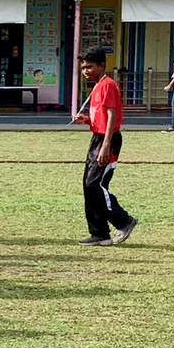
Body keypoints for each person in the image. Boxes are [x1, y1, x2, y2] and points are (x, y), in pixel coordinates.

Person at [71, 47, 136, 246]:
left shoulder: (107, 85)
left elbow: (112, 116)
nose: (85, 71)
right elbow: (100, 115)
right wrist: (87, 119)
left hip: (108, 139)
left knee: (95, 185)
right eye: (83, 67)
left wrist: (106, 145)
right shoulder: (97, 85)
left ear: (101, 65)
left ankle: (124, 220)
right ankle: (99, 232)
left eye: (89, 67)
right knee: (88, 185)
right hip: (97, 138)